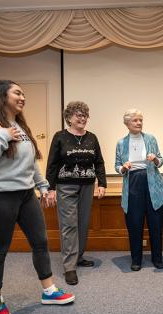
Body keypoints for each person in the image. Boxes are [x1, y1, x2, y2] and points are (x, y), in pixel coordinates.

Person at [0, 80, 75, 314]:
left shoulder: (18, 125)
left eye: (24, 93)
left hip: (25, 195)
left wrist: (42, 186)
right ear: (2, 96)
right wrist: (0, 137)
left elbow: (30, 160)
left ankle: (49, 291)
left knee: (40, 242)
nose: (23, 97)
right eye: (17, 93)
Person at [45, 101, 107, 285]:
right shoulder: (60, 137)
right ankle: (69, 267)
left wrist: (102, 183)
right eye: (78, 115)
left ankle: (78, 257)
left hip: (87, 186)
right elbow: (52, 164)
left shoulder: (92, 137)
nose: (82, 118)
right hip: (66, 186)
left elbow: (99, 162)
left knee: (82, 223)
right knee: (69, 225)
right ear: (69, 118)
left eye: (85, 115)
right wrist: (50, 188)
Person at [115, 109, 163, 271]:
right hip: (133, 183)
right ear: (127, 124)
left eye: (140, 120)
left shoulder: (150, 138)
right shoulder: (121, 143)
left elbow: (161, 162)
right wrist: (123, 168)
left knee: (155, 223)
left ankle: (157, 258)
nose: (139, 123)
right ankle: (136, 259)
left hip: (152, 183)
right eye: (135, 120)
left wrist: (156, 159)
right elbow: (117, 166)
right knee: (134, 223)